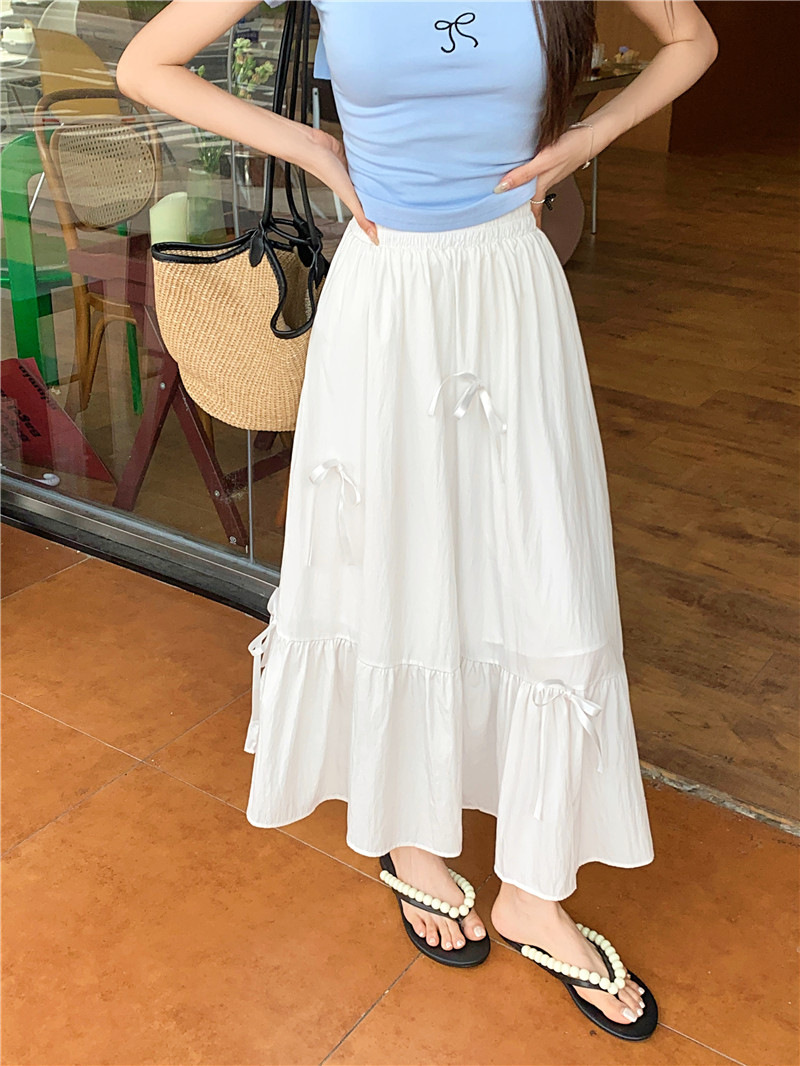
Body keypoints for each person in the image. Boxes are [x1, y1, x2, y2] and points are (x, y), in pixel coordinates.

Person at [118, 0, 717, 1041]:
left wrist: (584, 140)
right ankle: (408, 831)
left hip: (510, 295)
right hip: (386, 301)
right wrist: (313, 146)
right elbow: (146, 64)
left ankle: (535, 888)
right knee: (389, 564)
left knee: (545, 573)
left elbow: (692, 40)